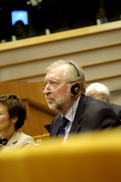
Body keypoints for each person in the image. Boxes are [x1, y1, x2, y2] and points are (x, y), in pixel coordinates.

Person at [42, 60, 120, 140]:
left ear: (75, 88)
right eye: (46, 84)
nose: (46, 91)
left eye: (53, 83)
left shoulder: (99, 113)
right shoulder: (56, 121)